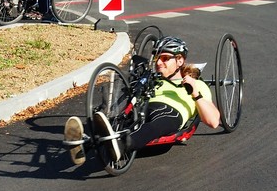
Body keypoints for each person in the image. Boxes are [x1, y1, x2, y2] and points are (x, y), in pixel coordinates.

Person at [64, 36, 221, 166]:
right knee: (123, 115)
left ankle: (121, 145)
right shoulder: (151, 79)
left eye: (165, 58)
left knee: (160, 119)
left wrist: (195, 93)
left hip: (171, 112)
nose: (159, 63)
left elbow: (214, 121)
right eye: (157, 58)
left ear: (180, 60)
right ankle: (87, 141)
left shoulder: (197, 84)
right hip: (144, 106)